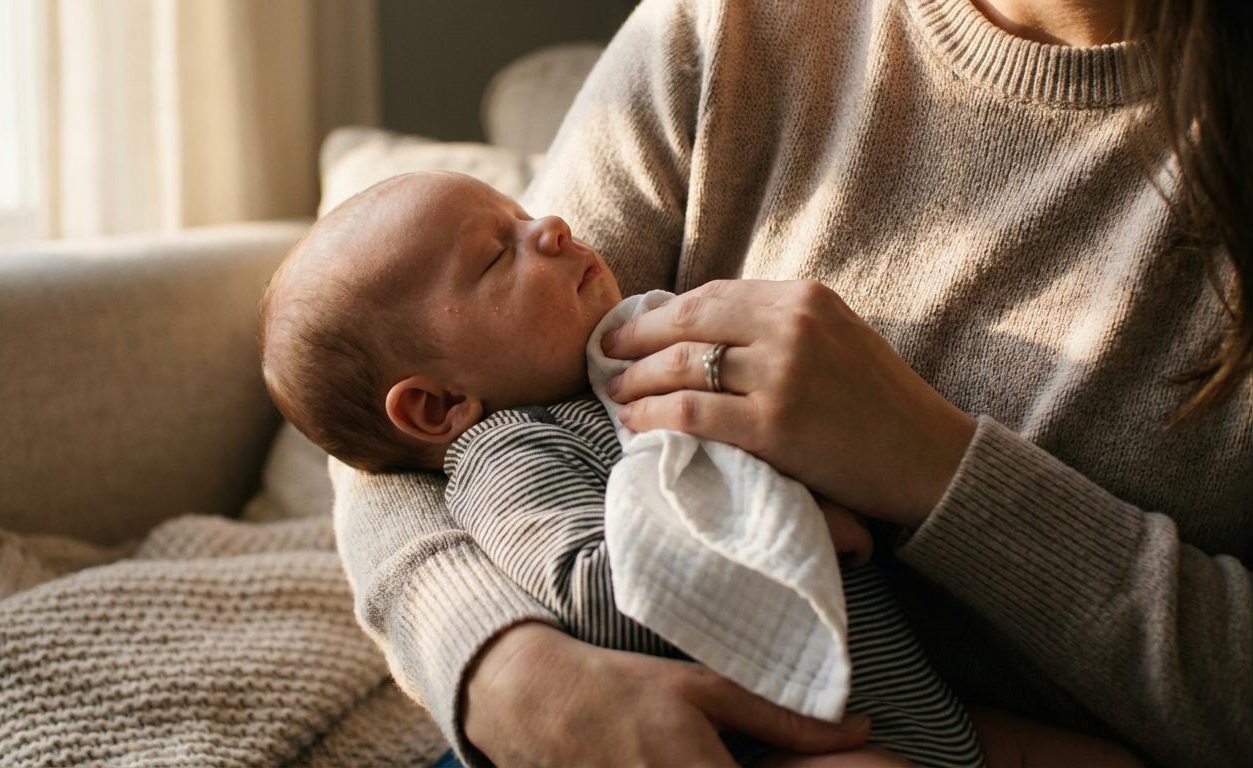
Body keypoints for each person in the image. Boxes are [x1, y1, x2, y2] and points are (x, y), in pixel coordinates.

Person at [325, 0, 1252, 765]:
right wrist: (506, 670)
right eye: (504, 247)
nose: (557, 231)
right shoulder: (723, 29)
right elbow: (396, 434)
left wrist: (931, 465)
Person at [259, 170, 1144, 766]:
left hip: (913, 705)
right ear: (437, 406)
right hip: (781, 741)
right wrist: (785, 520)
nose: (553, 226)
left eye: (525, 214)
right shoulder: (512, 454)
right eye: (499, 252)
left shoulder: (625, 361)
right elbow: (594, 587)